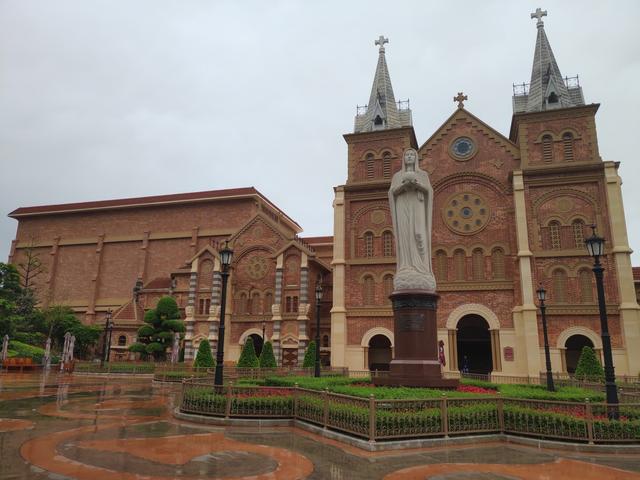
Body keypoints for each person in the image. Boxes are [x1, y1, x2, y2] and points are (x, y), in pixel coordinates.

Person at [389, 148, 436, 292]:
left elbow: (429, 191)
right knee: (405, 236)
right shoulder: (397, 176)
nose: (409, 157)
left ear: (416, 158)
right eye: (407, 155)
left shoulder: (423, 174)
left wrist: (417, 185)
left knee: (419, 234)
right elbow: (392, 192)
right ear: (404, 158)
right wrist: (403, 185)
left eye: (412, 155)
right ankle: (407, 266)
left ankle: (422, 268)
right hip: (402, 206)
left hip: (417, 206)